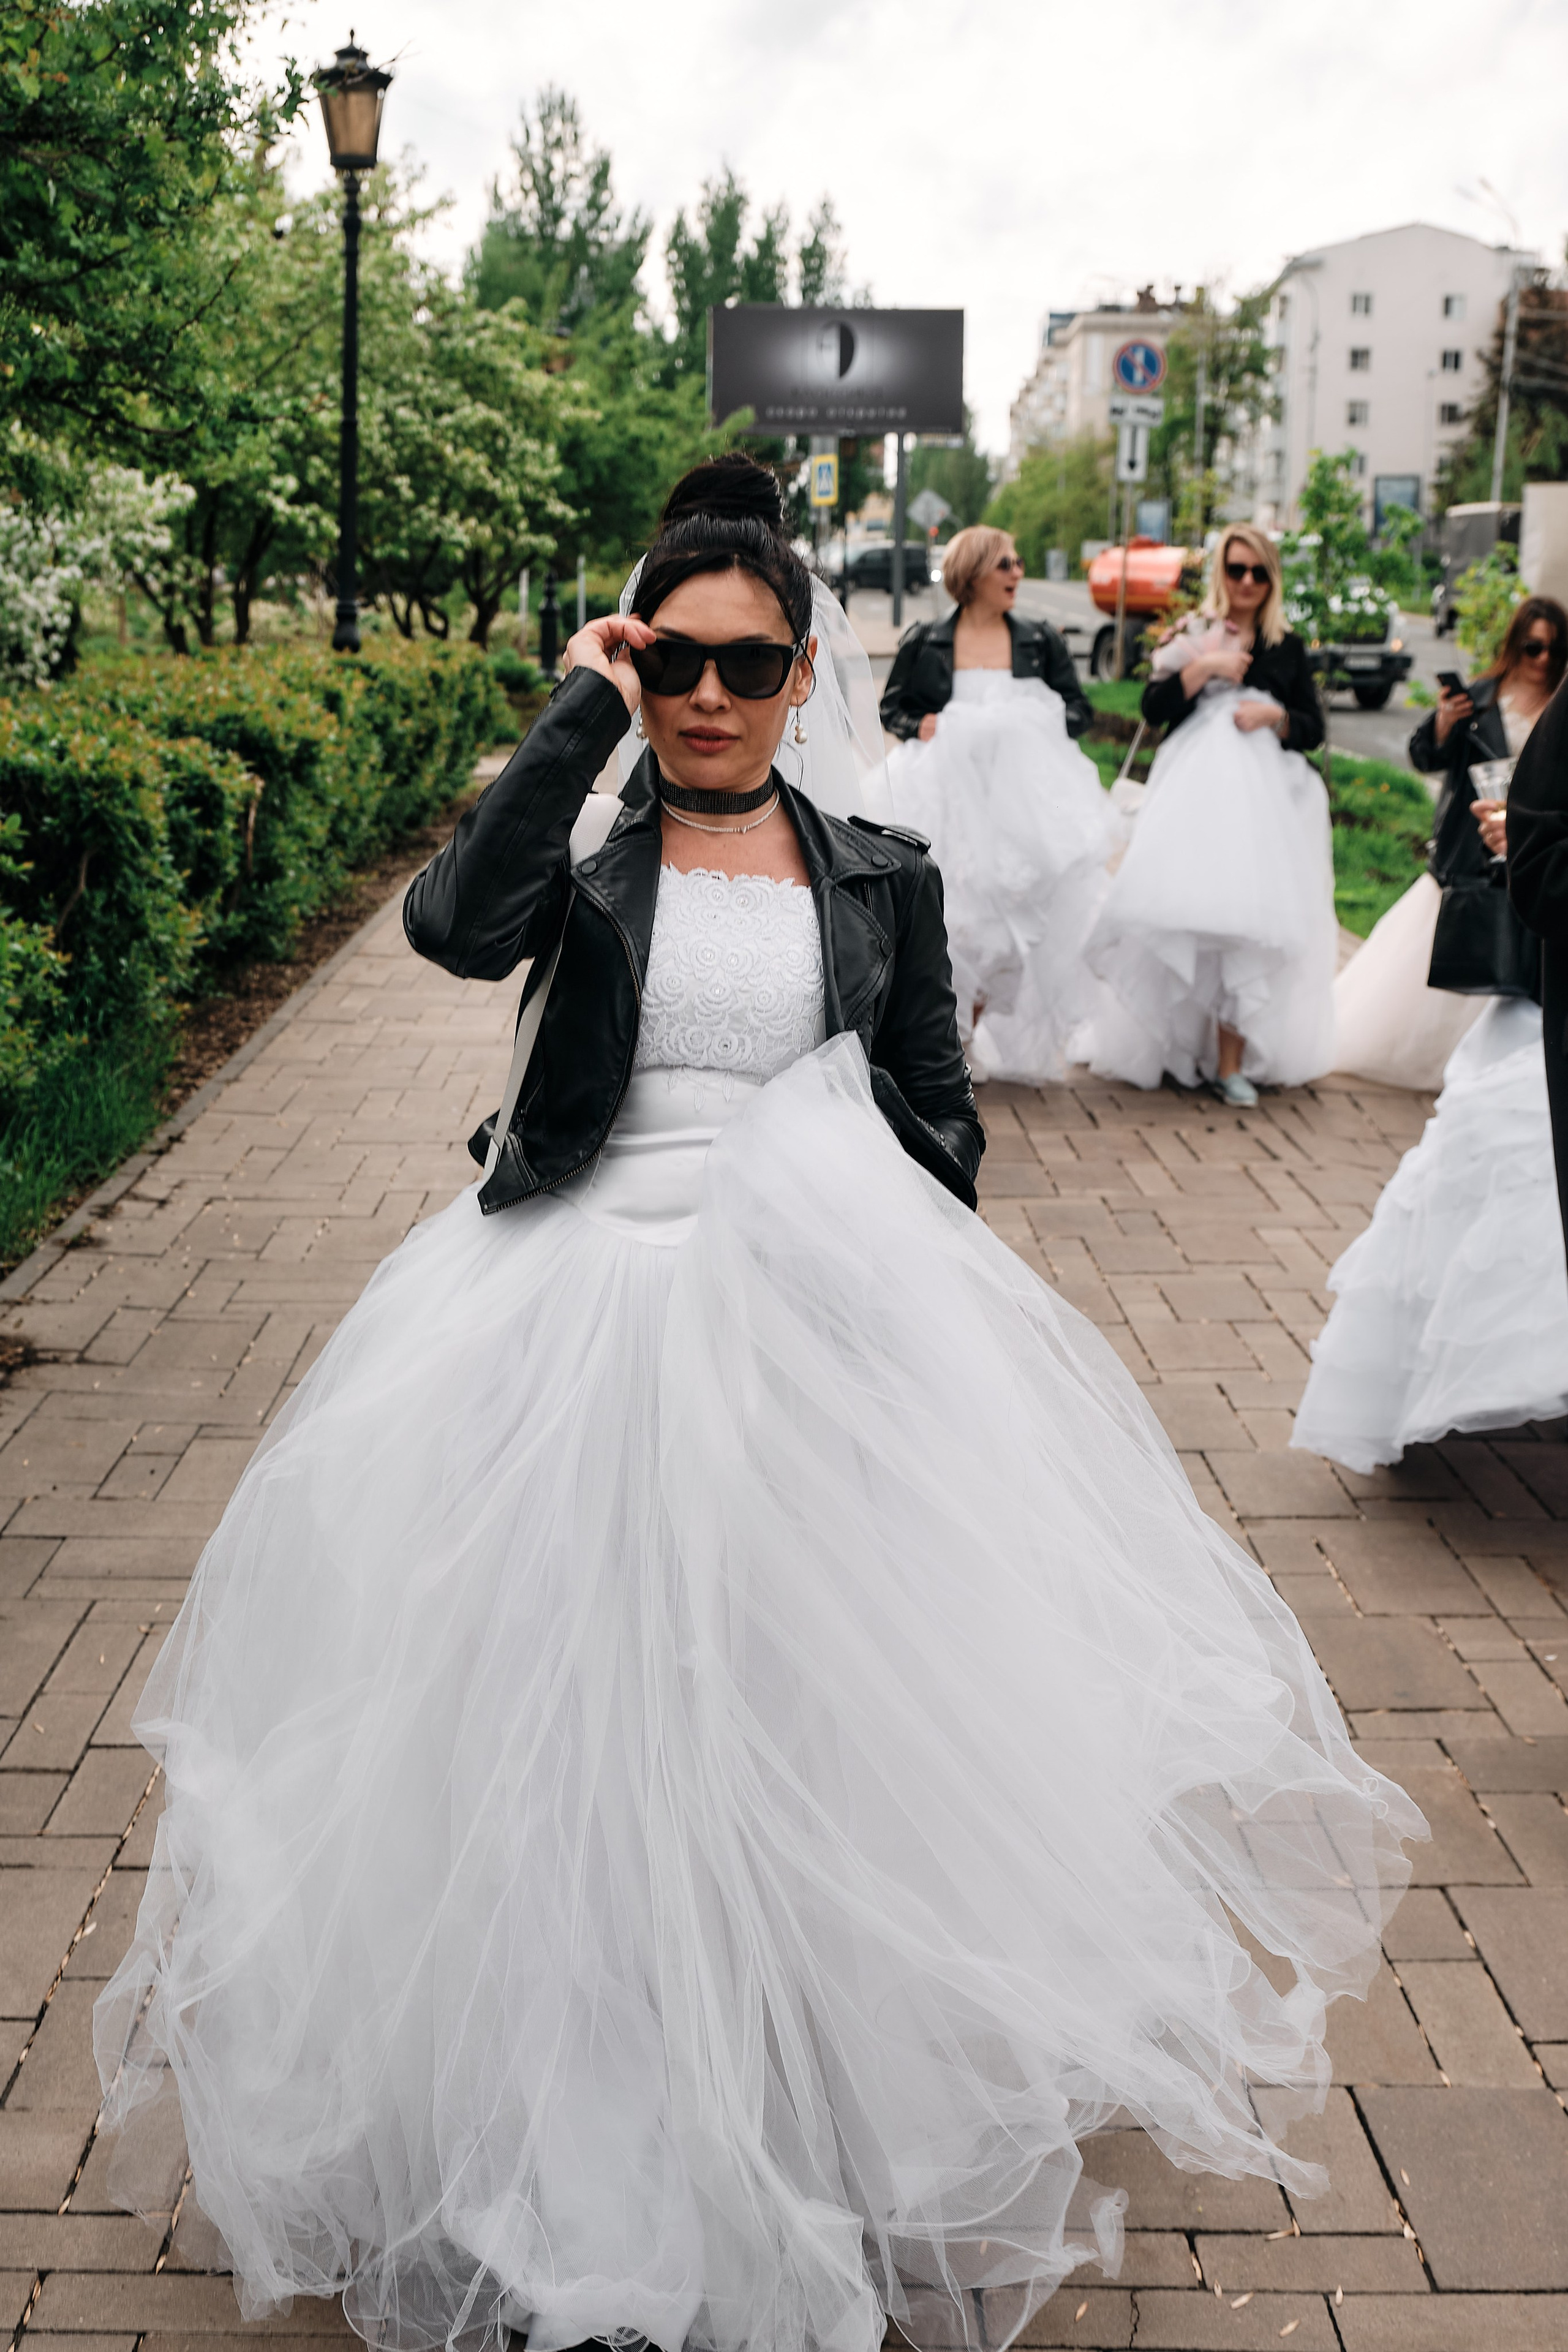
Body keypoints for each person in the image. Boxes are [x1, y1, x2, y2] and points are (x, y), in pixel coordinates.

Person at [95, 459, 1423, 2352]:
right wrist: (575, 707)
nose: (707, 692)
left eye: (746, 660)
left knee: (786, 1705)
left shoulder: (878, 870)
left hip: (802, 1313)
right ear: (638, 661)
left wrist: (883, 1288)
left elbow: (933, 1117)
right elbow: (454, 928)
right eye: (673, 657)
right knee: (570, 1706)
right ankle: (582, 2107)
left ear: (805, 675)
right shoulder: (589, 844)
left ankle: (794, 2089)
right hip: (562, 1306)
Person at [1084, 524, 1335, 1106]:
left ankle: (1230, 1062)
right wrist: (1208, 666)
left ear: (1272, 579)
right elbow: (1154, 705)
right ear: (1221, 573)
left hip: (1265, 808)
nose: (1247, 582)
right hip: (1194, 800)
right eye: (1236, 570)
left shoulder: (1287, 647)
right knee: (1186, 915)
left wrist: (1274, 719)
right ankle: (1179, 1048)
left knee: (1247, 925)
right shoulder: (1195, 633)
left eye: (1259, 572)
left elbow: (1314, 726)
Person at [879, 526, 1115, 1082]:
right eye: (1005, 564)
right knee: (951, 918)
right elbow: (894, 709)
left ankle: (971, 1031)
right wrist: (922, 723)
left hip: (1020, 806)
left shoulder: (1039, 639)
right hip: (944, 799)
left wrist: (1031, 722)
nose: (1017, 573)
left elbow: (1079, 712)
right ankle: (951, 1039)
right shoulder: (927, 639)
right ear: (973, 573)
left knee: (1011, 914)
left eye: (1018, 562)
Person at [1332, 598, 1567, 1090]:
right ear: (1514, 645)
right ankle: (1444, 1065)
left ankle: (1488, 1071)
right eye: (1533, 647)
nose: (1544, 659)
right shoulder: (1479, 698)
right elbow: (1423, 755)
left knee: (1510, 964)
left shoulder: (1560, 709)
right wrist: (1442, 724)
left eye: (1554, 648)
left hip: (1524, 854)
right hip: (1467, 851)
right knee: (1443, 963)